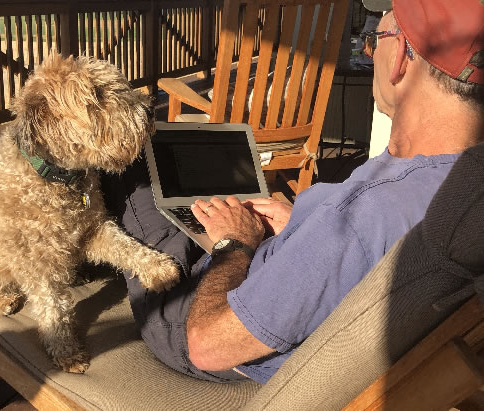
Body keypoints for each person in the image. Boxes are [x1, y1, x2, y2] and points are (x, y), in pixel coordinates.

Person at [107, 0, 484, 384]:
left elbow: (208, 344)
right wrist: (302, 227)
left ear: (401, 56)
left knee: (129, 161)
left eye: (375, 38)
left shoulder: (360, 217)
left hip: (200, 320)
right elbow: (352, 251)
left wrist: (235, 244)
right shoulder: (461, 179)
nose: (369, 52)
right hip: (277, 278)